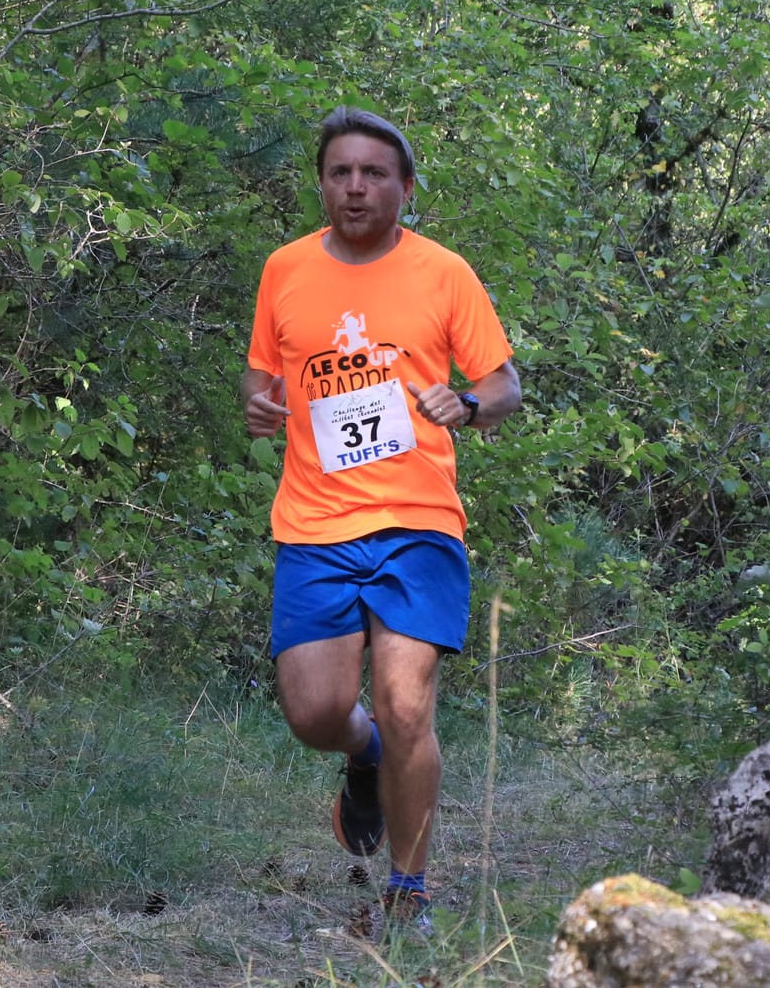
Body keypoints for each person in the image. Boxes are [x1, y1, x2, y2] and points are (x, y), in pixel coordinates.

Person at [243, 106, 521, 931]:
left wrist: (467, 403)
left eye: (374, 173)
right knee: (316, 713)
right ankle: (362, 758)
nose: (356, 186)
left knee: (407, 704)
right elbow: (261, 378)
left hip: (417, 521)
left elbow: (506, 384)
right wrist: (262, 408)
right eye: (340, 172)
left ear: (404, 185)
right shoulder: (285, 269)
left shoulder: (443, 273)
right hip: (314, 525)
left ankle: (409, 891)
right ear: (322, 183)